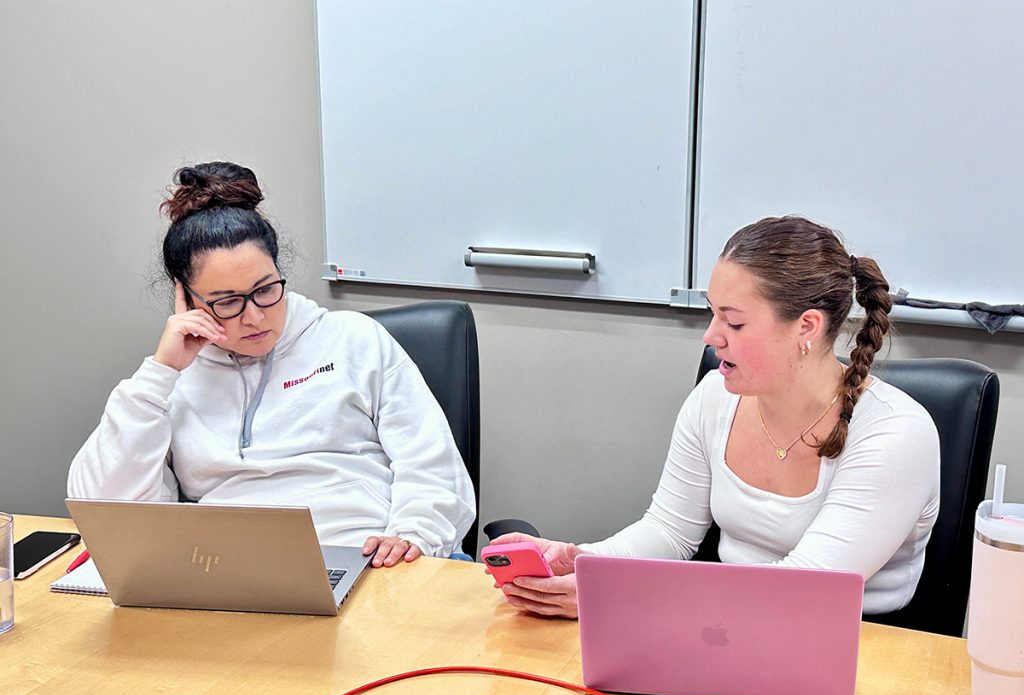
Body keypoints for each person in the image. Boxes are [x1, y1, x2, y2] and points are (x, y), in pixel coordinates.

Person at [494, 216, 940, 617]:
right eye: (713, 313)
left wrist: (617, 591)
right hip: (723, 624)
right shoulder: (715, 397)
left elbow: (805, 588)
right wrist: (584, 560)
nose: (712, 337)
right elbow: (670, 530)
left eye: (735, 322)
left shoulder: (896, 433)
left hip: (865, 646)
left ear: (807, 326)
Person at [68, 161, 475, 567]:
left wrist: (413, 535)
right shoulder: (173, 381)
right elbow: (105, 512)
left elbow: (433, 466)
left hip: (362, 555)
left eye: (265, 289)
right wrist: (160, 374)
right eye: (227, 302)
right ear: (188, 300)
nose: (255, 317)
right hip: (228, 571)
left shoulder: (354, 339)